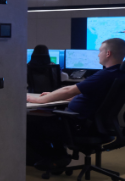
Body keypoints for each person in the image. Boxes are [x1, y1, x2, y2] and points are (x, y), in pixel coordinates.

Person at [26, 38, 125, 171]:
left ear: (108, 54)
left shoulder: (104, 75)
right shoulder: (118, 74)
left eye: (100, 51)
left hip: (78, 125)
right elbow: (94, 97)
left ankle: (55, 157)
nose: (98, 54)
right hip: (93, 125)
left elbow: (69, 89)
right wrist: (53, 96)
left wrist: (39, 100)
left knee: (29, 123)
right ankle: (57, 157)